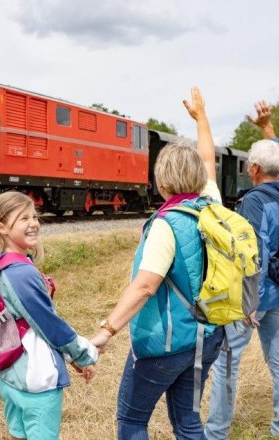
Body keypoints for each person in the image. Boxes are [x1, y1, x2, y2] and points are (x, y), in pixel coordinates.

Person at [91, 87, 225, 439]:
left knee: (133, 421)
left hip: (166, 346)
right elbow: (208, 160)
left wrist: (106, 331)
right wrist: (202, 120)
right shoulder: (211, 204)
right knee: (188, 421)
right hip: (208, 336)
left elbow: (146, 286)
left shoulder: (167, 223)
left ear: (161, 181)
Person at [204, 102, 279, 440]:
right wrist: (268, 128)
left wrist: (248, 305)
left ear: (254, 168)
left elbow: (251, 257)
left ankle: (215, 434)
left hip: (254, 299)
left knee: (226, 363)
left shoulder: (254, 201)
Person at [0, 191, 99, 440]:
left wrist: (71, 360)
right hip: (36, 382)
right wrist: (85, 354)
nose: (33, 223)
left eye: (34, 216)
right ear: (1, 226)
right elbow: (48, 325)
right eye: (23, 218)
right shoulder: (21, 273)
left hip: (12, 374)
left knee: (18, 434)